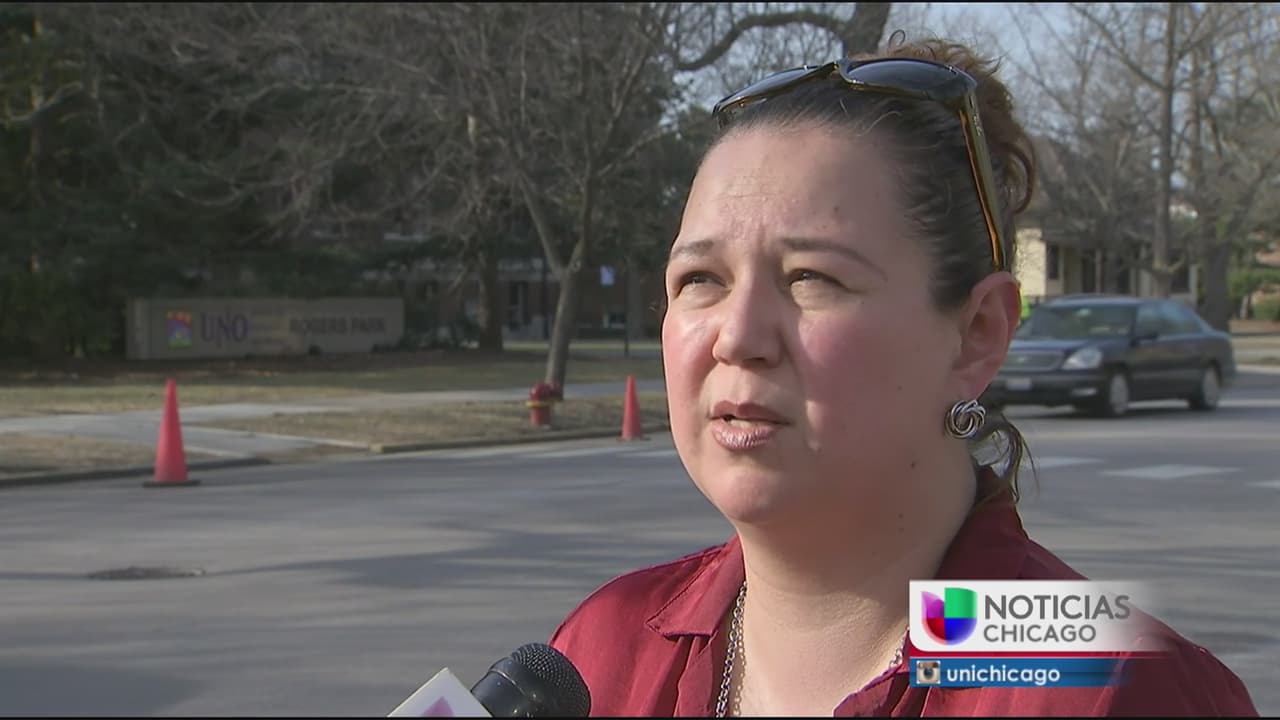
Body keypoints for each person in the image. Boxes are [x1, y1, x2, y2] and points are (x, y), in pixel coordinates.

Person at [548, 34, 1258, 717]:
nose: (737, 337)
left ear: (977, 335)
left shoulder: (1108, 683)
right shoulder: (602, 653)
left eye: (811, 277)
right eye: (700, 279)